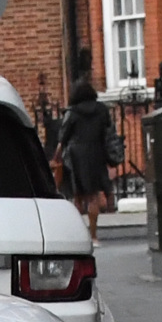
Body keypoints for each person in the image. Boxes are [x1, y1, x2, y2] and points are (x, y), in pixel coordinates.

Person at [54, 79, 114, 226]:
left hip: (76, 156)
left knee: (78, 196)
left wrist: (56, 157)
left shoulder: (72, 112)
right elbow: (108, 131)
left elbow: (63, 138)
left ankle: (78, 231)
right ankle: (94, 235)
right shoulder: (102, 109)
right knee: (93, 196)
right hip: (97, 153)